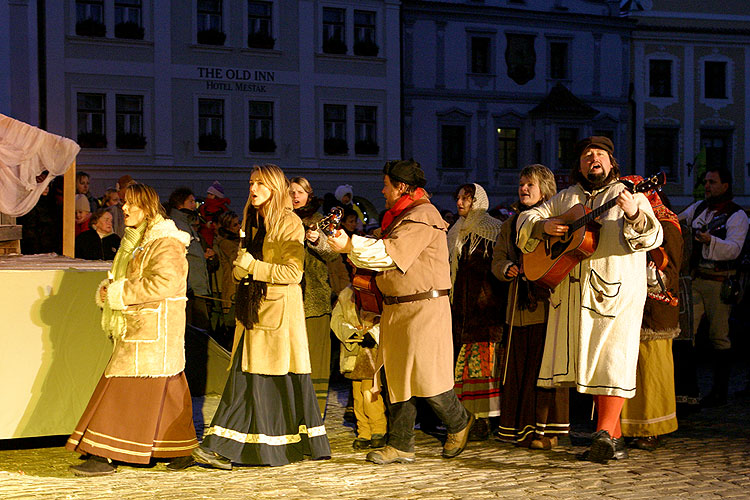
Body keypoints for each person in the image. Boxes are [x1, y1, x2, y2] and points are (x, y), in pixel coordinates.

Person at [516, 137, 663, 463]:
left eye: (599, 155)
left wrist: (635, 213)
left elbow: (653, 236)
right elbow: (526, 219)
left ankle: (603, 432)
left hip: (616, 293)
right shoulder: (566, 197)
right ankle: (613, 438)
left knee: (613, 362)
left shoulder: (631, 194)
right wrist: (544, 225)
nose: (592, 159)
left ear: (611, 163)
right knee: (594, 366)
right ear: (579, 164)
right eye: (586, 155)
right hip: (572, 295)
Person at [327, 159, 474, 465]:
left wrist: (350, 243)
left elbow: (388, 255)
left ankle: (459, 422)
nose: (382, 191)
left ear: (402, 187)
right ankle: (401, 444)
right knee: (396, 379)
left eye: (386, 185)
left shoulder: (423, 216)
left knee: (428, 378)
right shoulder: (402, 217)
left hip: (424, 306)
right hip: (396, 307)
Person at [192, 164, 331, 468]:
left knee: (254, 383)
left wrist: (251, 266)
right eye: (251, 182)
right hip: (253, 312)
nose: (253, 188)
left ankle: (230, 448)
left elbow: (293, 272)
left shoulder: (289, 223)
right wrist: (243, 268)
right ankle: (237, 448)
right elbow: (248, 262)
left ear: (275, 188)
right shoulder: (254, 220)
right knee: (244, 381)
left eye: (260, 183)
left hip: (275, 315)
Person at [66, 184, 197, 476]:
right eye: (124, 203)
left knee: (123, 390)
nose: (124, 209)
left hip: (154, 329)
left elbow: (166, 284)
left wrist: (118, 293)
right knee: (168, 390)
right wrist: (111, 289)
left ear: (148, 208)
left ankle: (106, 453)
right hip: (146, 328)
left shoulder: (166, 243)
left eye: (131, 205)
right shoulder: (144, 241)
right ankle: (176, 447)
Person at [492, 164, 570, 449]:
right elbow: (498, 259)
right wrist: (507, 268)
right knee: (517, 370)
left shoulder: (557, 220)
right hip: (518, 307)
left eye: (530, 185)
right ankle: (518, 429)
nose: (524, 189)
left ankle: (547, 432)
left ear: (545, 190)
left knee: (543, 370)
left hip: (547, 305)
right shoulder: (509, 224)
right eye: (522, 184)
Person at [678, 166, 749, 408]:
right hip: (697, 280)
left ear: (725, 186)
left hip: (720, 283)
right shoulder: (698, 208)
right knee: (686, 333)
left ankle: (719, 392)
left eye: (713, 182)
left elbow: (734, 248)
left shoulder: (737, 215)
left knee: (719, 337)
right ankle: (689, 391)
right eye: (706, 181)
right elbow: (675, 221)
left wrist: (711, 241)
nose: (707, 186)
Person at [620, 177, 681, 451]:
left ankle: (653, 427)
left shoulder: (667, 223)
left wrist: (650, 275)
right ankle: (629, 425)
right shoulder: (624, 222)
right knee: (631, 368)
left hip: (655, 306)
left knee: (653, 370)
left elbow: (672, 267)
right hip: (629, 303)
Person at [447, 183, 504, 440]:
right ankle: (465, 416)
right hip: (460, 308)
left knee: (483, 365)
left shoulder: (493, 229)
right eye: (458, 198)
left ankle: (485, 419)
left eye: (466, 199)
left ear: (477, 201)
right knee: (463, 366)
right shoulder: (456, 231)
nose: (460, 203)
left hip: (486, 308)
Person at [290, 176, 341, 417]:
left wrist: (317, 240)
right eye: (291, 191)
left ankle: (314, 413)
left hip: (314, 297)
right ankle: (291, 409)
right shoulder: (282, 220)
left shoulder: (320, 221)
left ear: (309, 194)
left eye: (300, 191)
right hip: (287, 298)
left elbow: (333, 254)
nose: (295, 196)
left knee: (315, 357)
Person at [331, 286, 387, 450]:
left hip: (372, 352)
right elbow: (337, 319)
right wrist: (351, 333)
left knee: (370, 392)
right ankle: (364, 431)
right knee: (358, 395)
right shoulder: (346, 295)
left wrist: (373, 334)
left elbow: (388, 318)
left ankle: (378, 429)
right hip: (353, 352)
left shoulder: (378, 290)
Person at [168, 187, 213, 331]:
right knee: (195, 329)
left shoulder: (188, 223)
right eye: (191, 201)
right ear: (180, 204)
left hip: (198, 285)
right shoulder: (176, 225)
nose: (194, 205)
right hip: (190, 287)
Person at [199, 180, 231, 249]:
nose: (208, 196)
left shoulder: (223, 208)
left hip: (219, 234)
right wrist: (205, 224)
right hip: (206, 233)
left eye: (211, 194)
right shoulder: (204, 207)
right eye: (208, 194)